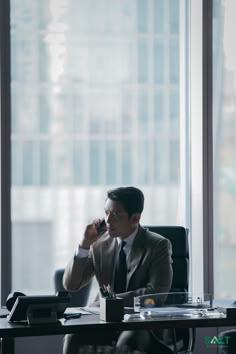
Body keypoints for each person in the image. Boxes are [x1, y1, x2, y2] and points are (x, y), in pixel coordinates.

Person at [63, 186, 173, 353]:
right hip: (103, 320)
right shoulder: (100, 244)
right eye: (106, 212)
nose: (108, 220)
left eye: (116, 214)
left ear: (135, 218)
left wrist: (109, 300)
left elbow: (156, 294)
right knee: (72, 336)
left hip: (141, 324)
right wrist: (84, 245)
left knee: (128, 341)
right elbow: (71, 285)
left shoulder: (158, 245)